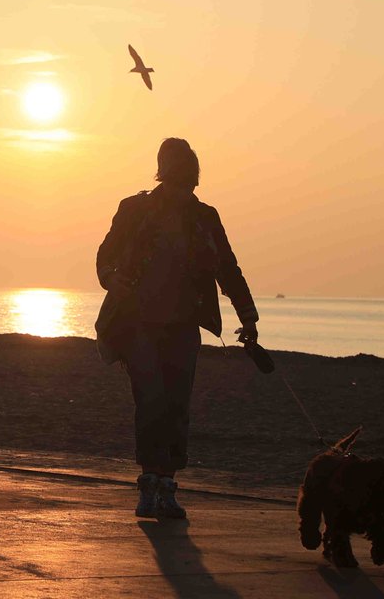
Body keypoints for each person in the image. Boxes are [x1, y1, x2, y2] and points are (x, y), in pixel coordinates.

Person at [96, 138, 259, 519]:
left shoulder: (205, 217)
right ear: (164, 174)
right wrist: (110, 278)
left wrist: (248, 316)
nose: (183, 190)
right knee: (150, 401)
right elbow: (106, 255)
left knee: (176, 407)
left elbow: (228, 269)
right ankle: (149, 485)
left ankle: (166, 486)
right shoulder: (134, 209)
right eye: (177, 180)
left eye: (188, 182)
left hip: (184, 326)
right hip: (137, 324)